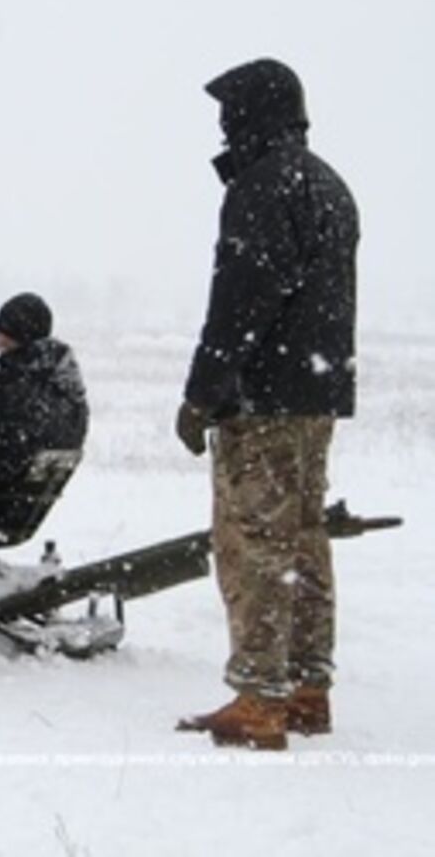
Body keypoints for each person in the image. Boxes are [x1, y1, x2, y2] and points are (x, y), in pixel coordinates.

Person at [174, 58, 359, 750]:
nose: (224, 127)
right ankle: (308, 686)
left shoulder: (261, 187)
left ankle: (258, 697)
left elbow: (239, 303)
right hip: (316, 395)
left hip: (264, 399)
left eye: (231, 113)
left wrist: (203, 392)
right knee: (305, 537)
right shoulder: (331, 186)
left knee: (255, 541)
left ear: (255, 114)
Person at [0, 292, 88, 537]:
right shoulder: (69, 392)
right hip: (22, 512)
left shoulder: (7, 391)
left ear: (17, 337)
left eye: (1, 332)